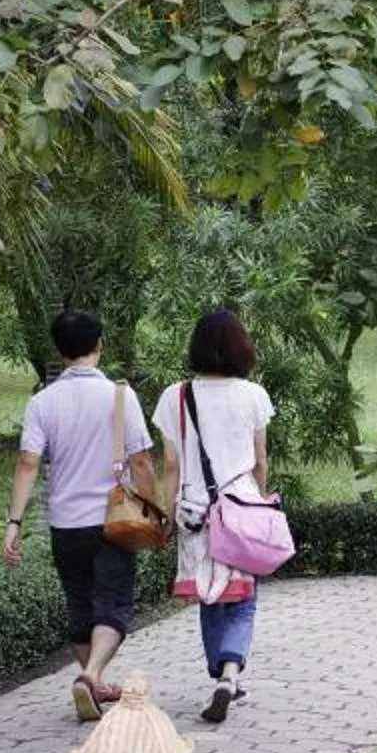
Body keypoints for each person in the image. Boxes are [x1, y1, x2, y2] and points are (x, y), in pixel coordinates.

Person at [5, 307, 156, 722]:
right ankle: (90, 676)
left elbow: (27, 464)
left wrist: (14, 523)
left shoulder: (41, 402)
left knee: (79, 604)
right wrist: (157, 513)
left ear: (58, 350)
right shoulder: (120, 396)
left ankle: (95, 682)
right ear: (99, 345)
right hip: (114, 520)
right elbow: (141, 461)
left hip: (65, 522)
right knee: (114, 603)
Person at [154, 307, 276, 726]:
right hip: (240, 507)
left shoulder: (176, 396)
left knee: (209, 596)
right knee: (243, 599)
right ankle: (230, 672)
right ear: (241, 348)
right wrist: (259, 498)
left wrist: (167, 515)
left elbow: (170, 464)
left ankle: (219, 672)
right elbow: (260, 461)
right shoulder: (253, 395)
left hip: (194, 511)